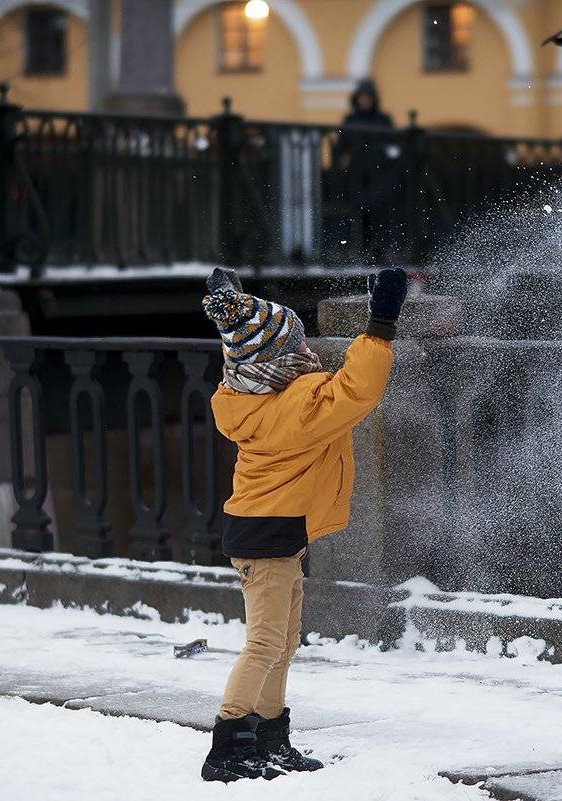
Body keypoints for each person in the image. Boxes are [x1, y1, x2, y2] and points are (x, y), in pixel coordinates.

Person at [199, 266, 407, 781]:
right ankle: (228, 744)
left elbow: (245, 345)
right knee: (266, 643)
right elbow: (357, 390)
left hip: (273, 533)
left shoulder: (249, 396)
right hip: (267, 538)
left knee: (282, 642)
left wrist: (232, 303)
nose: (308, 352)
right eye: (298, 346)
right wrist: (380, 322)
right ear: (281, 362)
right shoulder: (298, 409)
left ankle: (270, 738)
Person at [335, 79, 396, 261]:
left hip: (379, 173)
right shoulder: (350, 120)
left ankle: (379, 249)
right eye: (362, 97)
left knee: (379, 212)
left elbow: (391, 145)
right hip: (357, 173)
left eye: (367, 97)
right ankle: (359, 249)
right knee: (359, 211)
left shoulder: (383, 119)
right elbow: (341, 146)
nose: (364, 101)